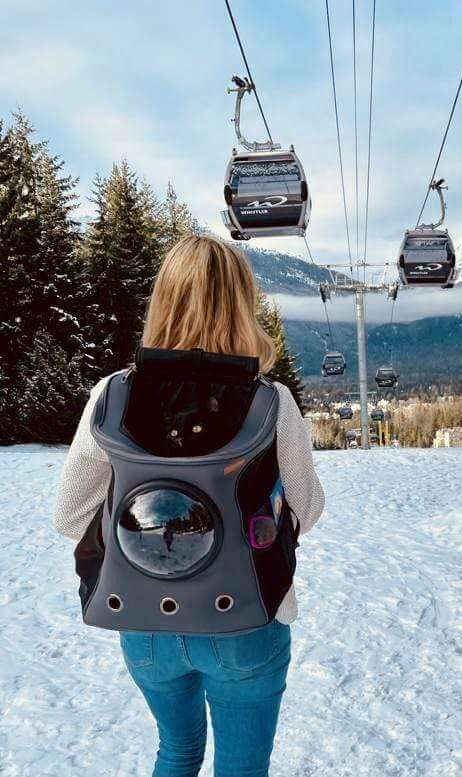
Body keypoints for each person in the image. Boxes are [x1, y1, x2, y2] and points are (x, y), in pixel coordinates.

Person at [53, 234, 325, 777]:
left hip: (143, 619)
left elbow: (67, 516)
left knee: (175, 753)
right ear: (242, 305)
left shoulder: (113, 395)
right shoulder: (270, 400)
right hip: (245, 617)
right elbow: (307, 510)